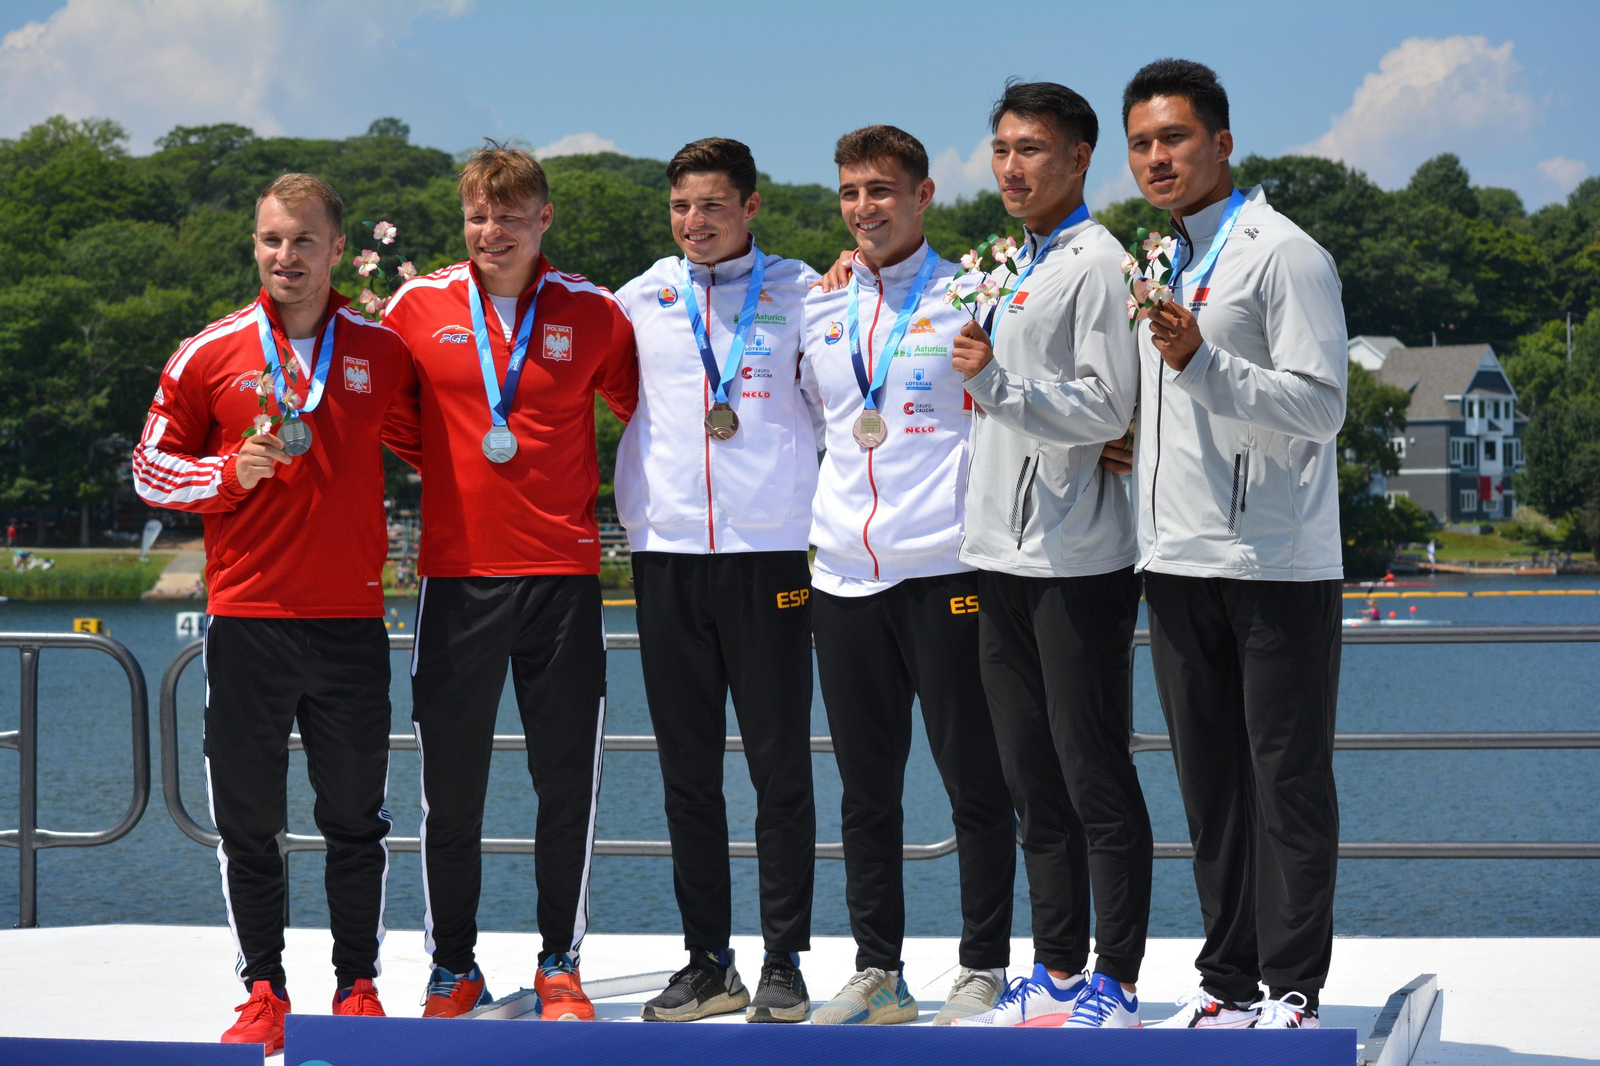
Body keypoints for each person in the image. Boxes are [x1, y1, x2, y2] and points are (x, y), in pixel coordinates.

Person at [133, 173, 407, 1052]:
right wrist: (224, 475)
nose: (284, 256)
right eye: (269, 240)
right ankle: (262, 988)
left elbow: (445, 432)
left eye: (301, 241)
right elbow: (147, 468)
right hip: (247, 620)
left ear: (337, 249)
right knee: (250, 823)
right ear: (256, 245)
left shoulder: (382, 350)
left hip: (353, 621)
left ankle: (358, 985)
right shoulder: (208, 351)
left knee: (355, 821)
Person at [379, 142, 639, 1021]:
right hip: (455, 580)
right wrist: (448, 463)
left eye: (509, 215)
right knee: (450, 789)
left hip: (565, 578)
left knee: (565, 784)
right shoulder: (416, 307)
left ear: (544, 220)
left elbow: (646, 412)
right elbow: (378, 409)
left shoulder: (595, 313)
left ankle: (559, 963)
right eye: (477, 217)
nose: (492, 231)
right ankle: (453, 967)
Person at [1112, 59, 1347, 1031]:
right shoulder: (1159, 258)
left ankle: (1291, 988)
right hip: (1172, 560)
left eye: (1172, 138)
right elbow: (1177, 398)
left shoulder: (1283, 253)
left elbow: (1321, 404)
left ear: (1220, 143)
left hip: (1272, 565)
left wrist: (1202, 363)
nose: (1156, 158)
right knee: (1209, 787)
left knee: (1283, 782)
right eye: (1140, 143)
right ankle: (1226, 982)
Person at [930, 81, 1148, 1031]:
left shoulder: (1098, 264)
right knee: (1030, 776)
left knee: (1092, 769)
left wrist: (1001, 384)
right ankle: (1055, 967)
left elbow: (1109, 405)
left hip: (1079, 559)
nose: (1012, 167)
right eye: (1002, 149)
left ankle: (1118, 975)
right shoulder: (1019, 262)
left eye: (1032, 150)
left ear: (1078, 158)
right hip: (1001, 554)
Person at [802, 126, 1017, 1027]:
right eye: (851, 191)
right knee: (865, 791)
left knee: (975, 780)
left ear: (923, 195)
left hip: (948, 571)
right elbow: (816, 422)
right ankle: (878, 969)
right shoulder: (821, 307)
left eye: (882, 190)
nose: (864, 208)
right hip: (844, 576)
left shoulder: (975, 295)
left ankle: (984, 965)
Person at [612, 137, 819, 1024]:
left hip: (771, 558)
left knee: (780, 771)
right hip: (665, 560)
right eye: (680, 208)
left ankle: (783, 962)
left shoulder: (810, 291)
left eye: (712, 206)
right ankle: (707, 960)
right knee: (687, 774)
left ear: (751, 206)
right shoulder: (638, 300)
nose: (694, 223)